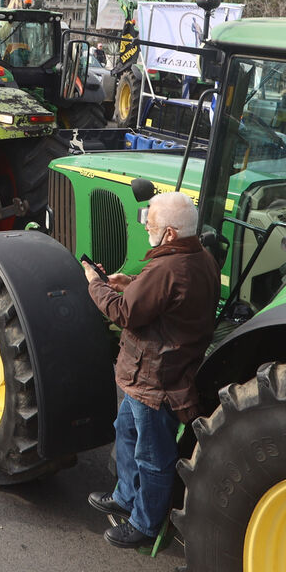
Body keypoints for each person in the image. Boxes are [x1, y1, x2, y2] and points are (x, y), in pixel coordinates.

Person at [83, 191, 220, 548]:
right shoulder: (201, 258)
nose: (147, 228)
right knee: (125, 430)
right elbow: (166, 301)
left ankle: (144, 523)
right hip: (149, 375)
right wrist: (131, 286)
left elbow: (124, 314)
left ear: (171, 234)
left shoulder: (165, 267)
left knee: (153, 456)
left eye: (153, 224)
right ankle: (126, 496)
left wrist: (95, 285)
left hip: (155, 378)